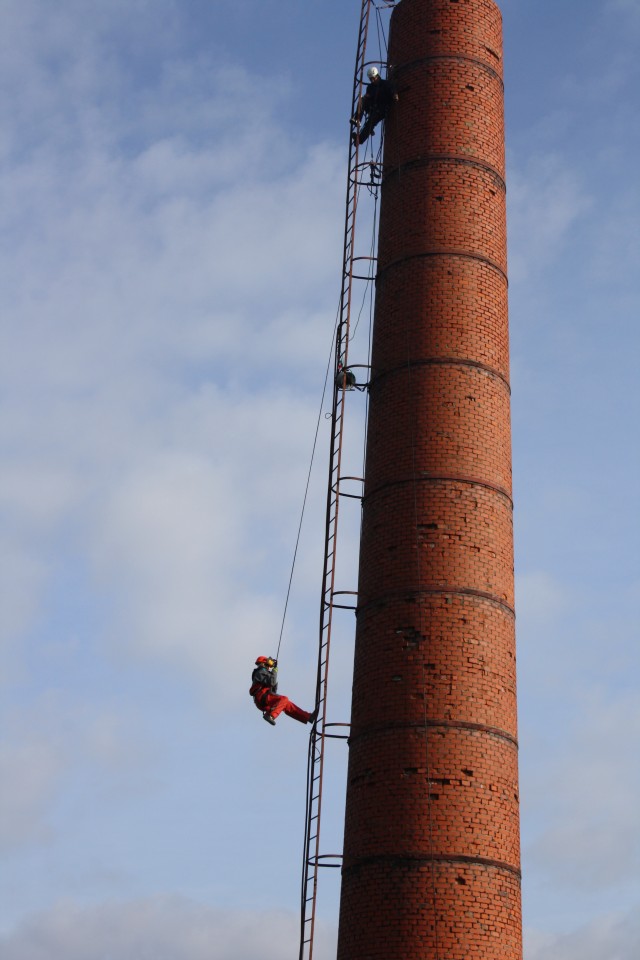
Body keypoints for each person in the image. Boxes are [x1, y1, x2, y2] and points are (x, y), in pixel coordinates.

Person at [249, 656, 315, 726]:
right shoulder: (261, 671)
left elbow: (272, 688)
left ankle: (308, 717)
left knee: (286, 704)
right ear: (264, 663)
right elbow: (272, 682)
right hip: (262, 697)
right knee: (284, 699)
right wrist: (275, 670)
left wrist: (273, 672)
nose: (269, 667)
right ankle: (270, 715)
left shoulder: (263, 673)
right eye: (268, 665)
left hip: (263, 699)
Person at [351, 66, 398, 145]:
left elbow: (391, 90)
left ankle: (359, 140)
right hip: (373, 107)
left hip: (381, 109)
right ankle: (357, 119)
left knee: (370, 123)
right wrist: (366, 98)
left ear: (377, 76)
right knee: (363, 99)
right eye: (370, 79)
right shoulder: (370, 87)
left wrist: (395, 95)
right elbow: (368, 97)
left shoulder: (385, 84)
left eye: (373, 78)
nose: (372, 80)